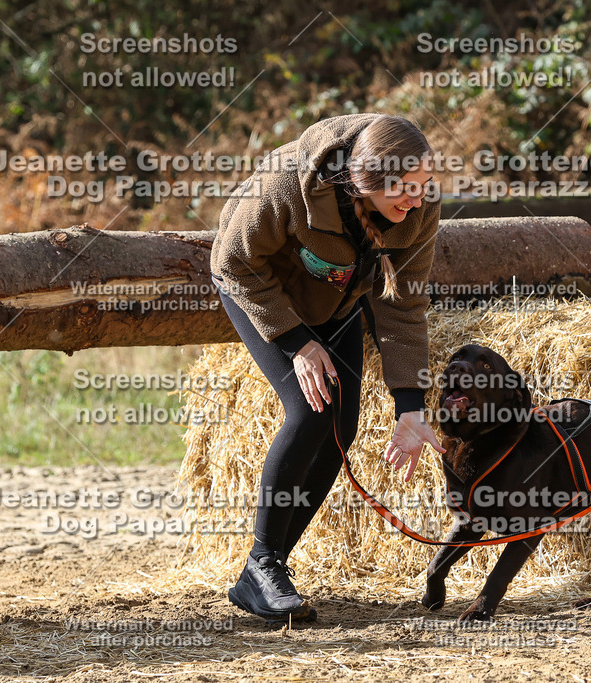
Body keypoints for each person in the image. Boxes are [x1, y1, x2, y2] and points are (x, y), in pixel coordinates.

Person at [210, 113, 445, 621]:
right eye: (405, 188)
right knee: (312, 411)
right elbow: (234, 261)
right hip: (259, 289)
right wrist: (296, 341)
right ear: (363, 180)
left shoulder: (418, 207)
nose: (417, 199)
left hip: (336, 299)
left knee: (342, 425)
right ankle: (265, 563)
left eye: (425, 185)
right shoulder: (289, 180)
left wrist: (411, 406)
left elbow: (404, 305)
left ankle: (262, 570)